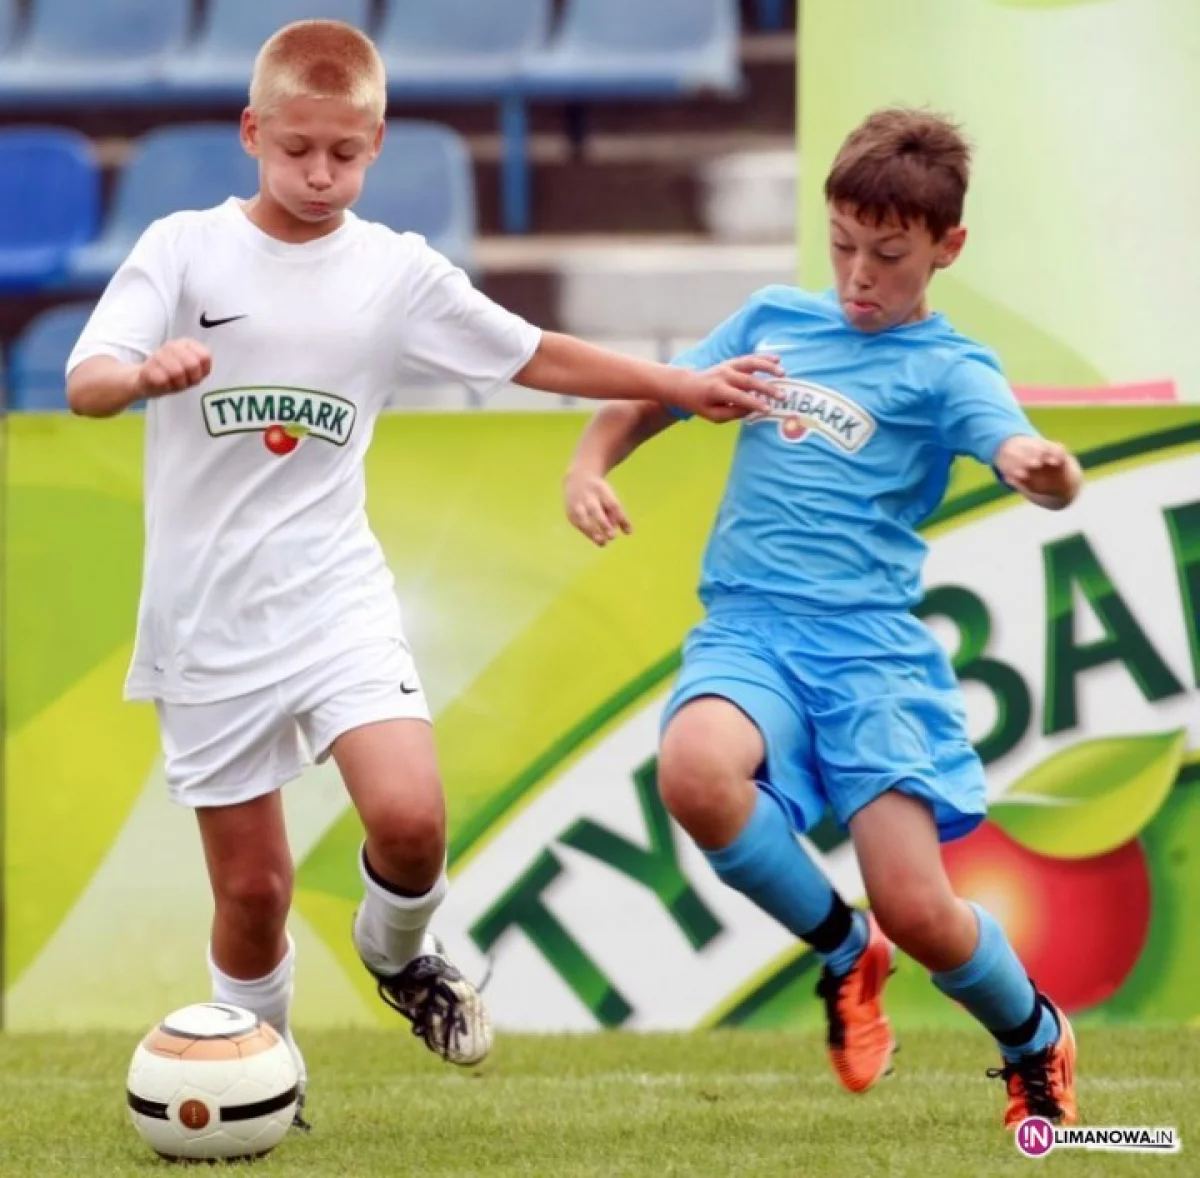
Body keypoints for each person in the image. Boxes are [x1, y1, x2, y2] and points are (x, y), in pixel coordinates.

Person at [65, 19, 781, 1128]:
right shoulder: (183, 249)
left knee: (410, 820)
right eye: (296, 148)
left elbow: (532, 348)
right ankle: (266, 1076)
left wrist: (676, 383)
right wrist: (141, 370)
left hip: (335, 598)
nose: (319, 173)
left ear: (377, 144)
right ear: (252, 132)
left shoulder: (393, 270)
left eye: (344, 154)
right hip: (205, 619)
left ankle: (401, 959)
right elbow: (86, 379)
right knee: (251, 891)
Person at [563, 107, 1083, 1130]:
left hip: (869, 657)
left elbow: (1017, 443)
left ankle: (1032, 1032)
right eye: (843, 245)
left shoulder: (949, 367)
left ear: (946, 247)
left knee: (922, 911)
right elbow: (652, 397)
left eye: (888, 256)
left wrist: (1042, 469)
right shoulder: (771, 321)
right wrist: (586, 465)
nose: (858, 275)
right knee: (694, 767)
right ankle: (843, 951)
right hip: (750, 629)